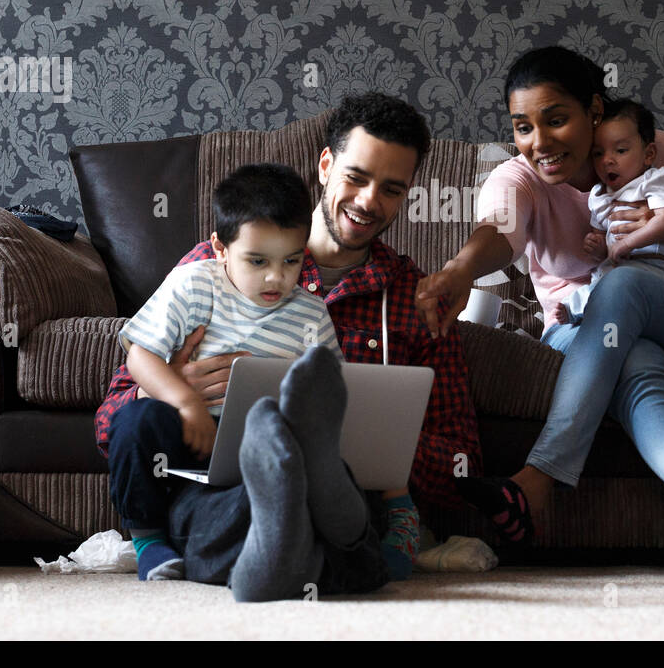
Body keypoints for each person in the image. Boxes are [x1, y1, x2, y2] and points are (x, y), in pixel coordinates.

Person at [415, 47, 664, 576]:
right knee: (636, 363)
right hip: (582, 332)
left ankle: (538, 480)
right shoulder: (518, 178)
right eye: (523, 127)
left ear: (594, 109)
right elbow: (497, 232)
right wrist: (459, 270)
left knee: (623, 284)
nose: (539, 143)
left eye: (556, 120)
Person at [95, 92, 483, 598]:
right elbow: (112, 424)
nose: (369, 201)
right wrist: (174, 392)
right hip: (212, 480)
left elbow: (462, 463)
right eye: (356, 177)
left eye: (391, 189)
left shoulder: (419, 301)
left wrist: (376, 443)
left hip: (335, 485)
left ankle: (294, 525)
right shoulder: (212, 271)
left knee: (325, 491)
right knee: (249, 510)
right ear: (325, 165)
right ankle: (300, 532)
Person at [111, 163, 341, 581]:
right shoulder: (194, 284)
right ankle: (148, 540)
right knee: (135, 419)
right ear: (220, 248)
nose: (276, 277)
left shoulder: (312, 313)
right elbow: (140, 357)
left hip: (261, 454)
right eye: (257, 261)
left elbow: (335, 392)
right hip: (185, 442)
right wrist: (185, 402)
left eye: (291, 260)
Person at [556, 99, 664, 326]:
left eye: (621, 150)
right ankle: (578, 310)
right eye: (598, 153)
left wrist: (626, 245)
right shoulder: (599, 196)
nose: (607, 160)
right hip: (621, 270)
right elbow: (603, 244)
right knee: (599, 287)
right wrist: (597, 248)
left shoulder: (655, 180)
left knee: (616, 286)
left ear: (648, 154)